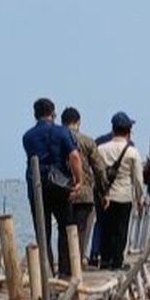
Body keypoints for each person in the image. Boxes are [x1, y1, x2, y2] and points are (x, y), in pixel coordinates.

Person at [22, 97, 82, 276]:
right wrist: (79, 181)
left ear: (35, 115)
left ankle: (46, 272)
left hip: (37, 186)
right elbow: (74, 157)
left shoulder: (27, 136)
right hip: (59, 184)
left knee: (43, 230)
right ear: (53, 113)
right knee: (65, 227)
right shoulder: (62, 132)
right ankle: (65, 271)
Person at [61, 107, 108, 263]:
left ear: (62, 122)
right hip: (84, 193)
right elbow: (99, 169)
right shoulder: (88, 141)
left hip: (63, 193)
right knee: (81, 232)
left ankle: (63, 266)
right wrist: (103, 192)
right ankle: (77, 265)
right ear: (79, 122)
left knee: (63, 232)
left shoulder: (57, 139)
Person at [97, 111, 144, 270]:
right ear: (128, 131)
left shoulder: (101, 149)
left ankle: (104, 260)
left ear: (113, 129)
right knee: (120, 230)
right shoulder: (132, 151)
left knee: (105, 229)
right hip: (124, 196)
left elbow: (97, 173)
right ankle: (117, 262)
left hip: (105, 196)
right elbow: (138, 178)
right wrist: (140, 199)